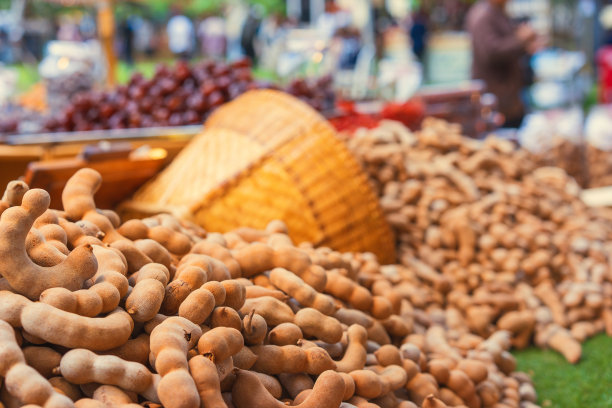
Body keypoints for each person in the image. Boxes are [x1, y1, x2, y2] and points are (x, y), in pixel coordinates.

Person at [466, 0, 546, 128]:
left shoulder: (496, 12)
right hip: (495, 100)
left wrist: (525, 45)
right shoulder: (483, 15)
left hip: (508, 100)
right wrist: (521, 40)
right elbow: (491, 52)